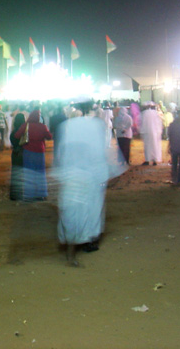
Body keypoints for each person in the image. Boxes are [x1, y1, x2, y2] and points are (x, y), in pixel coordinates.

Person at [53, 103, 110, 266]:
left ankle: (73, 249)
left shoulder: (66, 127)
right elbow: (100, 152)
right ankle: (89, 242)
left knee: (72, 212)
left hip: (73, 176)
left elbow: (60, 154)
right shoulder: (94, 126)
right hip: (87, 176)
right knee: (91, 211)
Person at [14, 109, 52, 201]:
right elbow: (49, 137)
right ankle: (41, 194)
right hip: (40, 151)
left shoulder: (25, 125)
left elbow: (17, 136)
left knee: (29, 173)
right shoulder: (42, 127)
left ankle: (29, 194)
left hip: (28, 151)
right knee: (40, 173)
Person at [9, 113, 27, 201]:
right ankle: (23, 193)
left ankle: (14, 194)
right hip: (24, 153)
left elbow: (13, 141)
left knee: (15, 174)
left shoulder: (13, 132)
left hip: (15, 154)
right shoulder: (25, 132)